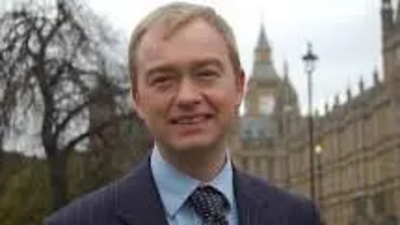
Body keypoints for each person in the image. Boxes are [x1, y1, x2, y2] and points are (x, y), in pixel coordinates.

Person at [45, 2, 321, 225]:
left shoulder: (298, 217)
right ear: (137, 99)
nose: (187, 97)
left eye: (206, 74)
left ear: (240, 87)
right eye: (163, 79)